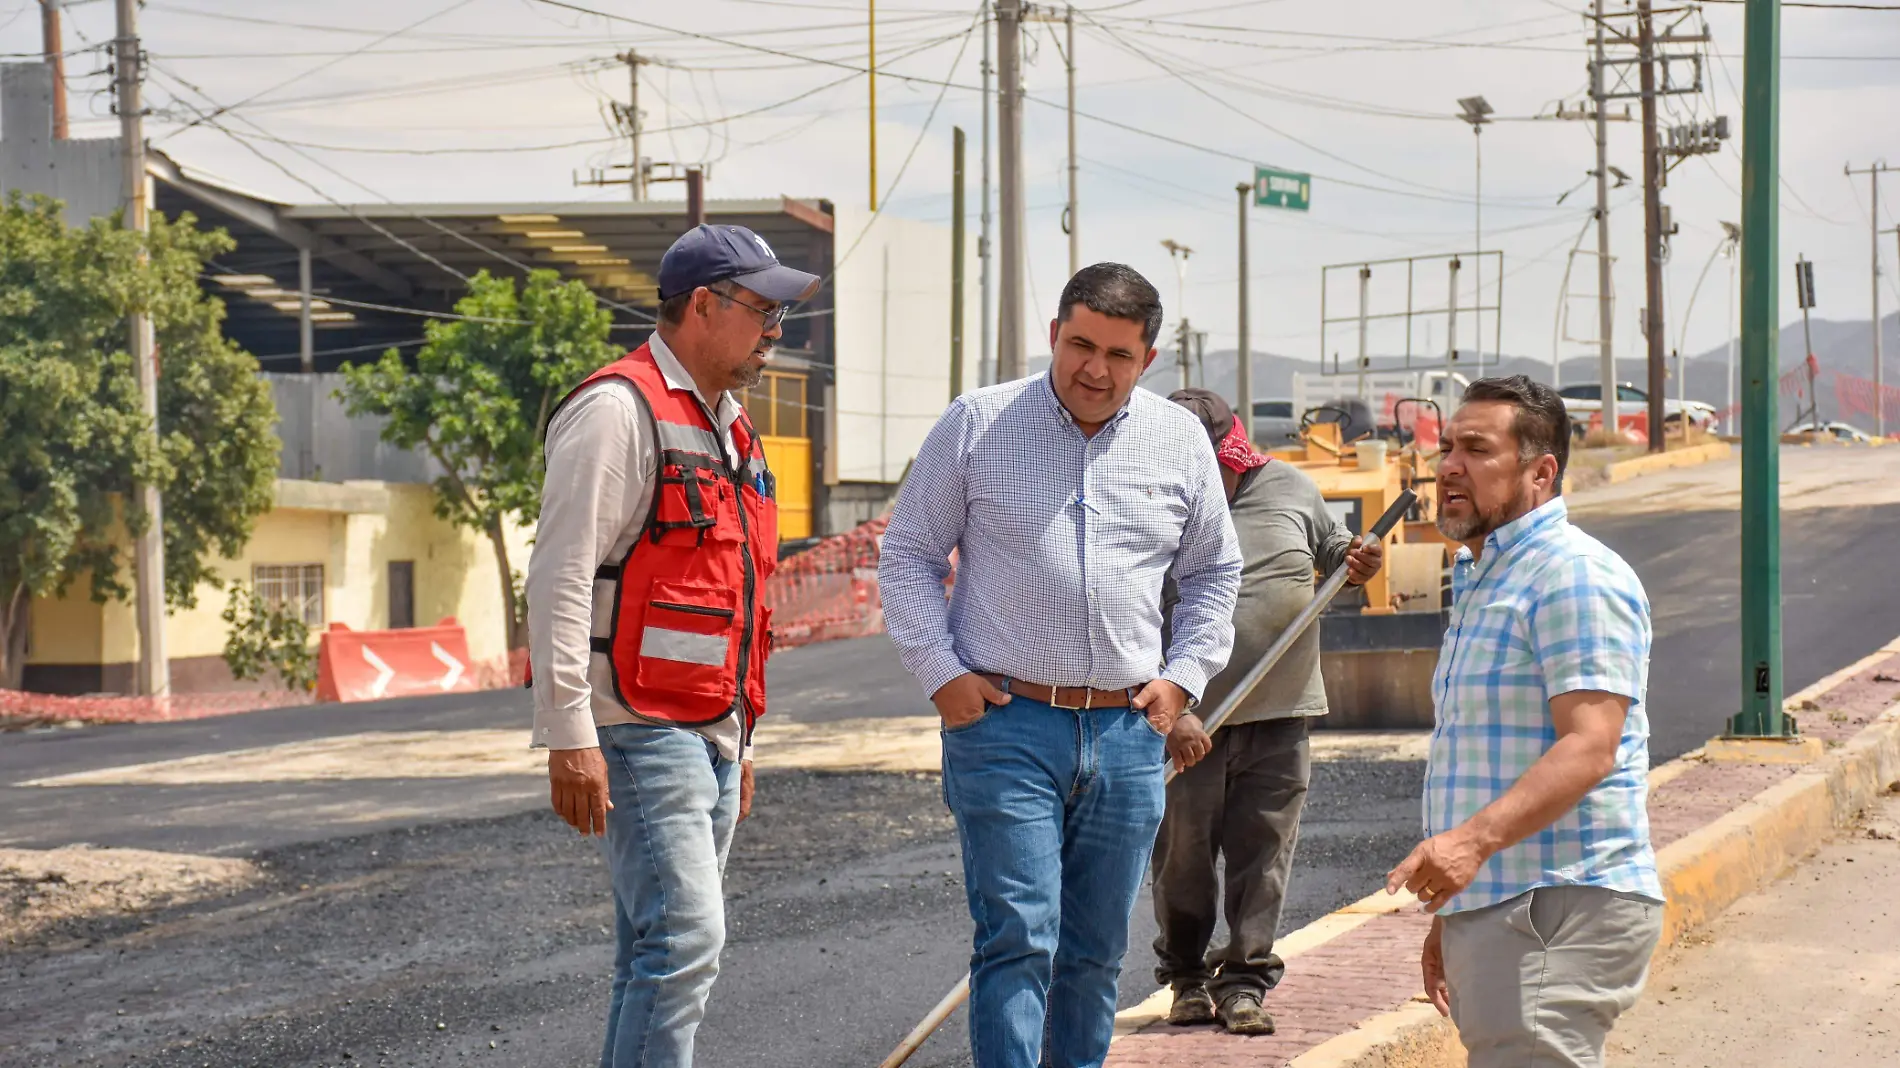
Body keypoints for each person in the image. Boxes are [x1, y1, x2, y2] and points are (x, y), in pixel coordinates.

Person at [879, 263, 1243, 1068]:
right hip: (1006, 727)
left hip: (1125, 734)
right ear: (1054, 334)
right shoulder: (978, 423)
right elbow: (906, 554)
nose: (1095, 369)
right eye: (1080, 344)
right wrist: (941, 672)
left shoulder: (1178, 440)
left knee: (1093, 950)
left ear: (1148, 360)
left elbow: (1217, 572)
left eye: (1118, 354)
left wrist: (1184, 676)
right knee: (1018, 938)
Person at [526, 223, 818, 1068]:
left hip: (710, 729)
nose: (774, 330)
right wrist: (569, 732)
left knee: (653, 953)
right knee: (687, 939)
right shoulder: (617, 411)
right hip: (640, 723)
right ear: (701, 304)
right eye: (761, 309)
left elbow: (742, 596)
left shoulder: (734, 430)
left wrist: (743, 735)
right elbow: (560, 576)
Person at [1385, 375, 1662, 1068]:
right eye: (1447, 446)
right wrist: (1458, 915)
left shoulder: (1572, 576)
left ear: (1541, 472)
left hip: (1557, 903)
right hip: (1511, 901)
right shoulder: (1488, 578)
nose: (1448, 464)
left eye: (1476, 449)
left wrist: (1469, 847)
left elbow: (1591, 746)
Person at [1150, 388, 1384, 1036]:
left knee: (1264, 857)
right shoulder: (1149, 501)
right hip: (1186, 723)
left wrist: (1357, 561)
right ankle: (1188, 980)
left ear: (1232, 453)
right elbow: (1126, 613)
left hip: (1281, 715)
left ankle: (1245, 982)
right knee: (1182, 859)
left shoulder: (1289, 488)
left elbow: (1338, 552)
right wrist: (1170, 711)